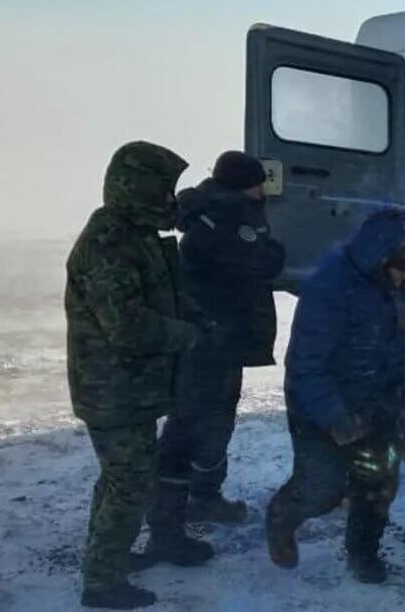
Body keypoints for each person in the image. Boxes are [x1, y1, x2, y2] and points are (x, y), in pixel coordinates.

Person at [265, 205, 405, 583]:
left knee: (378, 480)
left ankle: (363, 553)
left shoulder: (399, 272)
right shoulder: (331, 289)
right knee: (323, 488)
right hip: (321, 402)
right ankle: (283, 516)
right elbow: (306, 366)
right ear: (382, 256)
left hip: (378, 396)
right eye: (404, 269)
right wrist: (336, 418)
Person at [65, 141, 212, 609]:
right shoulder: (110, 241)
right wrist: (186, 335)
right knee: (130, 483)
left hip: (130, 387)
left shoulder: (137, 234)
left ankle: (106, 560)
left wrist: (196, 319)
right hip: (113, 390)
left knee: (119, 479)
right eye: (164, 187)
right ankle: (103, 583)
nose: (172, 198)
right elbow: (128, 327)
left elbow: (161, 294)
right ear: (140, 186)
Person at [148, 151, 285, 542]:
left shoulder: (224, 211)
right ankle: (166, 523)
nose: (264, 190)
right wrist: (275, 251)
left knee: (216, 420)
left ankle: (203, 497)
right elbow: (262, 261)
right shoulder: (226, 217)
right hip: (208, 341)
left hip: (220, 339)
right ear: (244, 184)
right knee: (191, 423)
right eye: (259, 183)